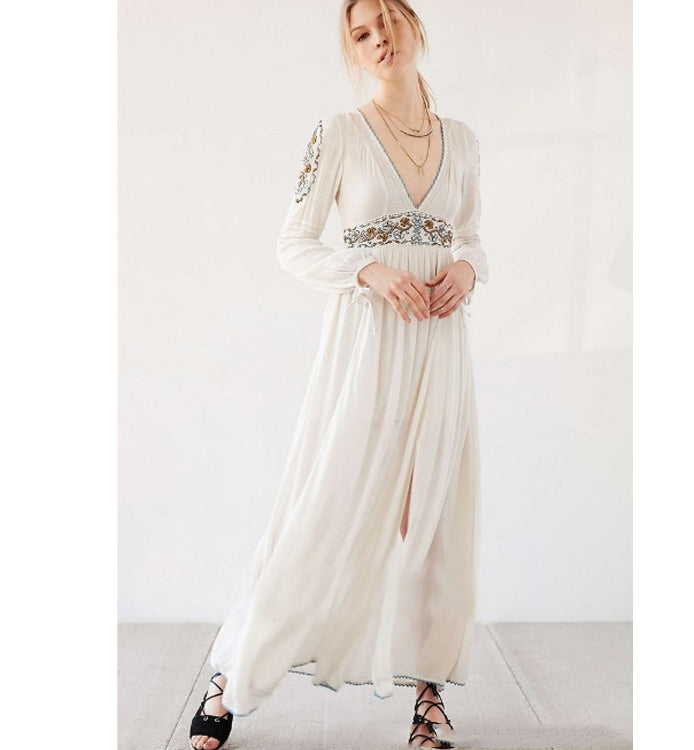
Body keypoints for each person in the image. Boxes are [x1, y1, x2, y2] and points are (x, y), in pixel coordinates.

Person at [189, 1, 488, 748]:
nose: (380, 38)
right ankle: (234, 672)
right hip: (366, 346)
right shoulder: (339, 132)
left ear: (415, 27)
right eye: (362, 33)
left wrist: (466, 268)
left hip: (440, 345)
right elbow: (294, 243)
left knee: (435, 516)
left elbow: (472, 235)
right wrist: (368, 271)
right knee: (325, 504)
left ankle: (429, 699)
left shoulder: (462, 139)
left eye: (390, 21)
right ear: (352, 51)